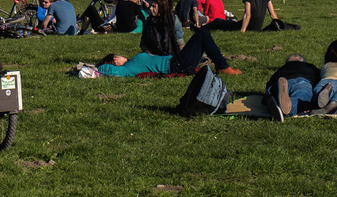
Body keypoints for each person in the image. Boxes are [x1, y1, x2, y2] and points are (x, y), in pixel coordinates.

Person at [96, 22, 240, 77]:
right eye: (118, 56)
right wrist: (95, 68)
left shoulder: (130, 66)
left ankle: (222, 66)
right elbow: (108, 70)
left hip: (177, 61)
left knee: (202, 34)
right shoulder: (127, 68)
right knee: (202, 34)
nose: (121, 56)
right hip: (177, 64)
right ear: (115, 59)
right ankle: (222, 67)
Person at [262, 53, 320, 122]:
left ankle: (273, 100)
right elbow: (318, 82)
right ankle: (287, 108)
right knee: (301, 99)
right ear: (304, 62)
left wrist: (268, 92)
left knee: (271, 92)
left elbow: (269, 83)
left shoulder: (282, 68)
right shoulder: (310, 67)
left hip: (281, 81)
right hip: (301, 82)